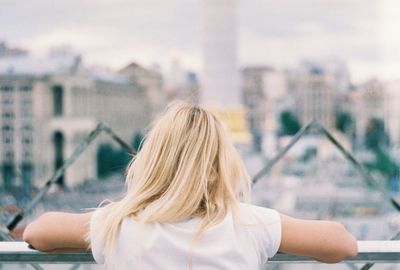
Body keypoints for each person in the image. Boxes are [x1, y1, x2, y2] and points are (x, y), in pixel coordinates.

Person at [23, 101, 358, 269]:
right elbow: (342, 244)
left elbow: (38, 232)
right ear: (219, 167)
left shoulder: (116, 226)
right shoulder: (249, 223)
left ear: (152, 160)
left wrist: (112, 217)